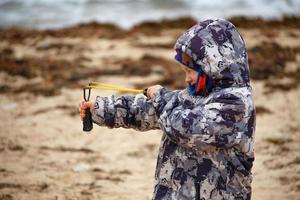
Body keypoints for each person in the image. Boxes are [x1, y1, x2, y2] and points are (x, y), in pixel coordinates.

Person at [79, 18, 256, 200]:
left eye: (189, 71)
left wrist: (161, 98)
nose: (186, 79)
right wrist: (101, 109)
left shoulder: (236, 105)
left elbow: (186, 129)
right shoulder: (193, 96)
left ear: (210, 68)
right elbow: (146, 111)